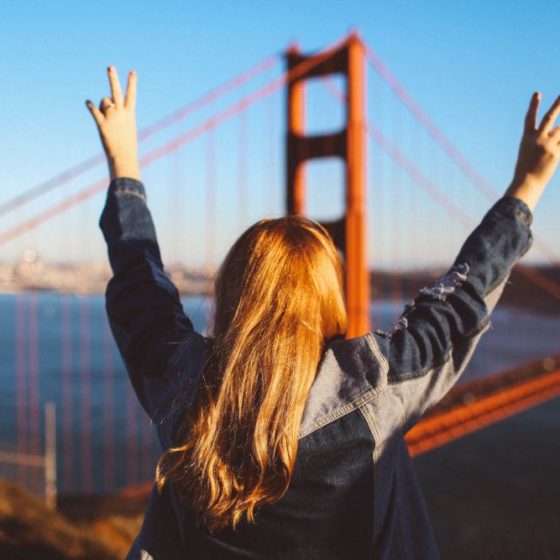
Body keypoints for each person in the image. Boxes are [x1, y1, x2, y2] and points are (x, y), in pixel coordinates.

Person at [86, 66, 560, 559]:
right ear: (327, 297)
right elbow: (462, 297)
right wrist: (526, 186)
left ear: (232, 294)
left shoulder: (178, 381)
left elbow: (139, 281)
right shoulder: (374, 389)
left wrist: (124, 165)